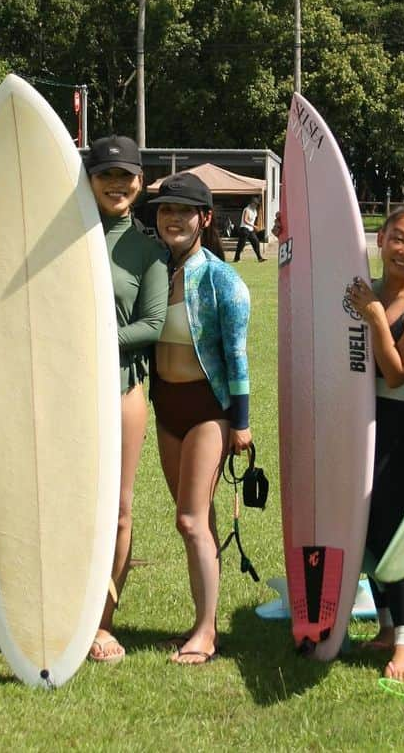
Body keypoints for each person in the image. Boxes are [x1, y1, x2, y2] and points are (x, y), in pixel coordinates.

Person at [146, 172, 252, 666]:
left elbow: (237, 356)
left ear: (204, 218)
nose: (173, 218)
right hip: (166, 407)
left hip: (208, 412)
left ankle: (207, 633)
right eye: (166, 209)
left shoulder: (221, 279)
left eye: (184, 211)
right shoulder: (154, 270)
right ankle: (199, 624)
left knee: (190, 521)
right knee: (199, 522)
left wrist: (241, 422)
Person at [344, 205, 404, 683]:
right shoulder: (365, 288)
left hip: (393, 426)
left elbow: (399, 371)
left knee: (394, 535)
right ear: (380, 238)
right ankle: (383, 627)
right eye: (397, 239)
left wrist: (378, 318)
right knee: (361, 532)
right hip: (351, 423)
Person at [85, 134, 169, 664]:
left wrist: (91, 337)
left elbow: (152, 325)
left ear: (140, 183)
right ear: (90, 180)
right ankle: (61, 610)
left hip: (121, 388)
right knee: (67, 505)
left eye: (126, 177)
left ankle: (102, 622)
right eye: (106, 176)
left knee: (117, 510)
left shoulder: (147, 250)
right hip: (61, 392)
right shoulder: (60, 238)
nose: (117, 185)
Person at [233, 198, 265, 263]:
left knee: (256, 242)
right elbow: (245, 220)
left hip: (251, 230)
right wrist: (253, 226)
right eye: (255, 204)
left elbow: (254, 220)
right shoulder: (246, 209)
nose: (256, 205)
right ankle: (236, 258)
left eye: (257, 204)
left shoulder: (255, 211)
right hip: (244, 229)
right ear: (252, 203)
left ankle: (259, 258)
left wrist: (257, 226)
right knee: (241, 245)